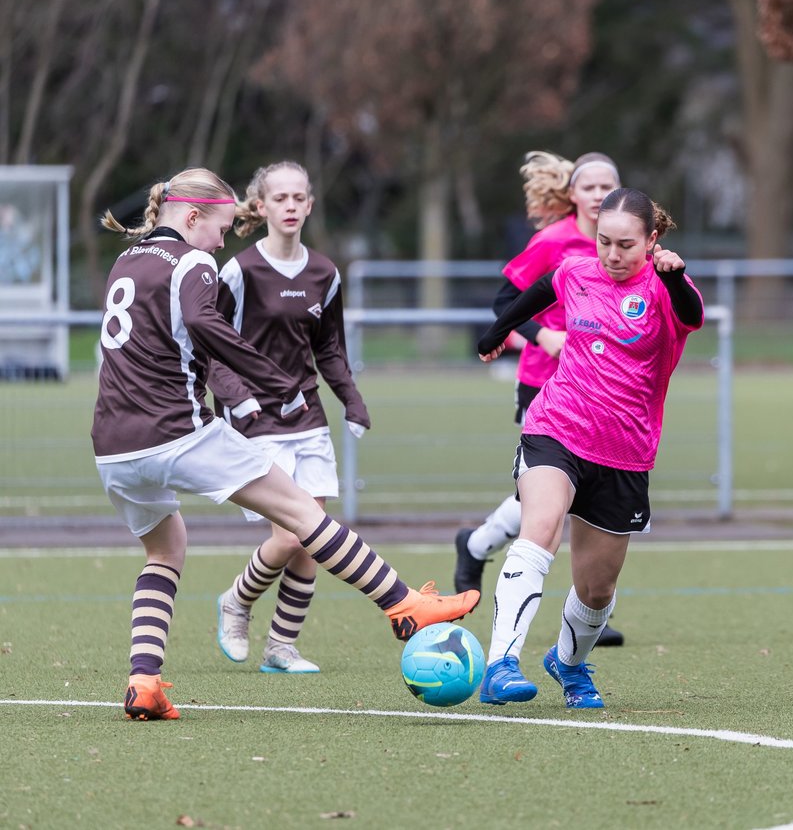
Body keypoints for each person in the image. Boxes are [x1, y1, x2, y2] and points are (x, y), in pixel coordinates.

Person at [93, 168, 479, 721]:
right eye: (222, 228)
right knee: (302, 512)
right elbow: (205, 321)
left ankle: (144, 681)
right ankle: (405, 605)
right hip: (175, 430)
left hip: (112, 445)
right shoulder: (193, 261)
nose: (223, 241)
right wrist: (273, 381)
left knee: (165, 548)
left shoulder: (125, 262)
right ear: (193, 216)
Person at [472, 187, 703, 708]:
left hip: (625, 453)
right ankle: (500, 664)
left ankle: (568, 664)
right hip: (557, 426)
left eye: (626, 245)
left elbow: (691, 314)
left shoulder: (669, 285)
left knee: (597, 590)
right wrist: (497, 332)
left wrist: (673, 277)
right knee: (541, 527)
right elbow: (538, 291)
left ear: (652, 240)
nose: (613, 256)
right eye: (605, 242)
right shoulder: (578, 271)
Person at [453, 150, 625, 647]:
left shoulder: (624, 246)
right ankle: (584, 605)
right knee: (555, 489)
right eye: (588, 186)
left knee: (579, 493)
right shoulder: (553, 241)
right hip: (545, 381)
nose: (597, 194)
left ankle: (481, 544)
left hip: (601, 389)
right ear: (572, 195)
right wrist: (540, 336)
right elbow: (504, 303)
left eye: (605, 186)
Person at [206, 161, 369, 675]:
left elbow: (331, 350)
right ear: (261, 206)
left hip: (308, 418)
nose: (292, 206)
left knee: (313, 540)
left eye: (300, 197)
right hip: (255, 422)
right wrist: (238, 399)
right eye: (281, 198)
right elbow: (209, 348)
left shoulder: (325, 272)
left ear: (311, 204)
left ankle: (282, 647)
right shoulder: (239, 270)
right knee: (291, 536)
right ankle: (235, 601)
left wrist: (352, 400)